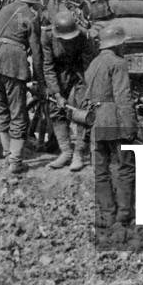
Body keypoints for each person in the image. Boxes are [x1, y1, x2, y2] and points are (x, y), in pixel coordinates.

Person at [0, 0, 44, 174]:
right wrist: (39, 79)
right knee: (18, 112)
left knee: (1, 110)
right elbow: (36, 52)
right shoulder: (31, 16)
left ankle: (6, 153)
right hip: (13, 63)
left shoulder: (4, 9)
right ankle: (16, 161)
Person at [85, 25, 137, 229]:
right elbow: (123, 96)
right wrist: (130, 126)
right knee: (125, 166)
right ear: (117, 44)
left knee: (100, 169)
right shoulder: (118, 63)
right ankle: (124, 215)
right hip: (114, 118)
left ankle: (107, 214)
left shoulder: (94, 64)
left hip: (96, 120)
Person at [41, 10, 95, 171]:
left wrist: (88, 90)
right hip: (59, 71)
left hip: (79, 71)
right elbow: (48, 66)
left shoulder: (84, 36)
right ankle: (66, 152)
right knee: (55, 108)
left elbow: (88, 65)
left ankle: (78, 152)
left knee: (82, 111)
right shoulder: (48, 36)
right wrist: (57, 93)